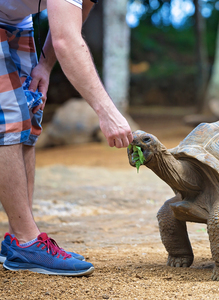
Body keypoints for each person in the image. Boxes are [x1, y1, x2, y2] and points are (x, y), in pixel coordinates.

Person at [0, 0, 133, 276]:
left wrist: (45, 66)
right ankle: (27, 241)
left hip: (17, 21)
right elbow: (66, 41)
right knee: (8, 118)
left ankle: (18, 238)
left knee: (28, 111)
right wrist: (107, 112)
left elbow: (73, 17)